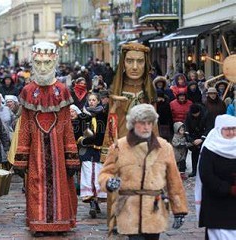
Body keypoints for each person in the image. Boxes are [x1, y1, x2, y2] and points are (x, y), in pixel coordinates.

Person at [13, 42, 79, 236]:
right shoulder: (27, 91)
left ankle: (60, 224)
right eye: (39, 63)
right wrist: (21, 157)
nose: (43, 68)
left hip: (59, 151)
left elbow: (67, 125)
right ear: (33, 62)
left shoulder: (62, 91)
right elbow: (24, 126)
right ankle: (38, 224)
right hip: (36, 152)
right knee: (35, 184)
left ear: (55, 62)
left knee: (61, 186)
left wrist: (71, 156)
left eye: (47, 63)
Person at [99, 104, 188, 238]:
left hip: (154, 208)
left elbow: (173, 180)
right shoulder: (119, 147)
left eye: (149, 123)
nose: (146, 127)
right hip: (129, 207)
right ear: (133, 124)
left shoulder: (164, 147)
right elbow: (105, 172)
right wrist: (108, 182)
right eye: (142, 123)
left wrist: (179, 210)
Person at [101, 42, 157, 230]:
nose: (134, 67)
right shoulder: (116, 90)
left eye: (140, 62)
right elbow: (111, 122)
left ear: (146, 64)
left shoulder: (149, 91)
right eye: (130, 61)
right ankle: (116, 219)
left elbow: (154, 122)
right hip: (122, 144)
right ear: (123, 63)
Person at [195, 114, 236, 240]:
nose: (231, 132)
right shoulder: (210, 148)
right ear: (219, 129)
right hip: (216, 204)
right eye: (227, 129)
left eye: (234, 129)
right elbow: (206, 175)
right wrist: (228, 189)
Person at [79, 93, 107, 218]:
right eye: (89, 100)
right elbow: (77, 131)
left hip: (100, 151)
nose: (91, 102)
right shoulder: (83, 116)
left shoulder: (103, 116)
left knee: (99, 176)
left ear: (98, 101)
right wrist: (83, 140)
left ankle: (96, 201)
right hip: (87, 151)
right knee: (88, 175)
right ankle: (91, 202)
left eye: (94, 100)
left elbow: (107, 132)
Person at [184, 104, 208, 177]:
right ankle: (194, 170)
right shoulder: (189, 115)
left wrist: (202, 138)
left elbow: (208, 127)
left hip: (203, 136)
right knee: (194, 154)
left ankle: (204, 171)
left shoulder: (205, 115)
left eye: (197, 114)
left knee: (204, 155)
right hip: (193, 136)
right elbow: (186, 126)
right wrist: (189, 137)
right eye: (194, 114)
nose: (195, 115)